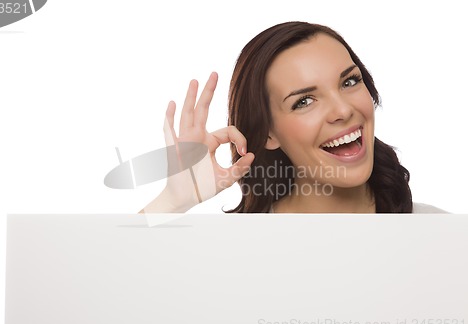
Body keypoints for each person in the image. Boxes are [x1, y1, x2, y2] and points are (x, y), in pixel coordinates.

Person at [141, 21, 446, 214]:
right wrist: (172, 202)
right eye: (304, 101)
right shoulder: (236, 248)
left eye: (349, 82)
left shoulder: (441, 236)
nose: (343, 110)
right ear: (268, 134)